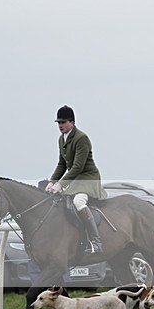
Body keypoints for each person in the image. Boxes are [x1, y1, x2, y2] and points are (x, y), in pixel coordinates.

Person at [46, 105, 107, 254]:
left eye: (63, 122)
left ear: (72, 122)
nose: (60, 126)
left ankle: (96, 242)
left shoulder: (82, 138)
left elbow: (78, 167)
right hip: (75, 179)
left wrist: (61, 184)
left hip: (88, 178)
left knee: (78, 202)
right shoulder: (62, 139)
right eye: (59, 123)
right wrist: (52, 181)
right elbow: (62, 164)